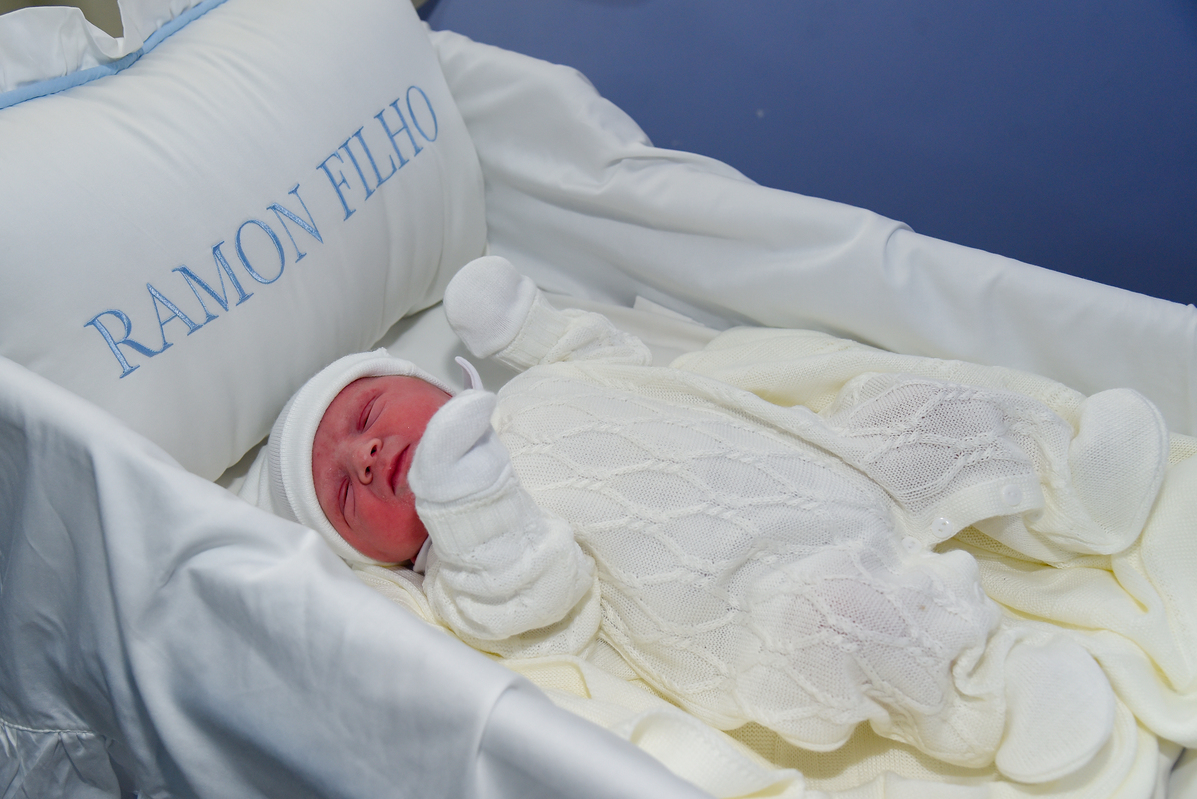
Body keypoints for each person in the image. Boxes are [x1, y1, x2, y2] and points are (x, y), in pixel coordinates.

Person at [252, 255, 1143, 783]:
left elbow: (616, 364)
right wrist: (469, 502)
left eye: (368, 415)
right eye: (345, 495)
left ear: (422, 383)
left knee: (919, 412)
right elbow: (534, 596)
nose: (365, 456)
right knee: (848, 616)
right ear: (373, 556)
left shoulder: (533, 395)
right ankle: (988, 691)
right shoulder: (461, 573)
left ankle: (1070, 486)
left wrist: (529, 327)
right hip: (750, 598)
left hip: (814, 464)